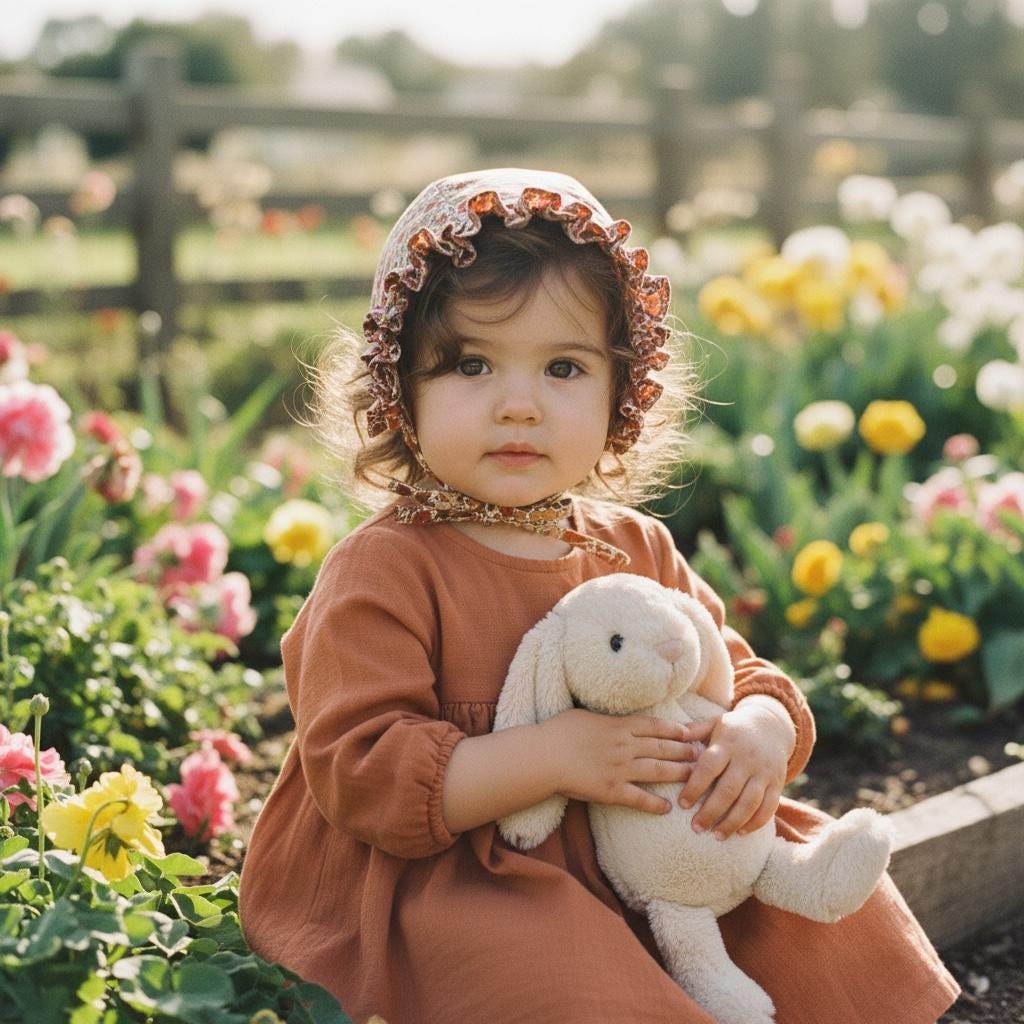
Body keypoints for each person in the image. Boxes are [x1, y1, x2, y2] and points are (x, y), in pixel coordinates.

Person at [239, 168, 959, 1024]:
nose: (518, 405)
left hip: (652, 853)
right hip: (461, 871)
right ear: (400, 389)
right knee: (567, 981)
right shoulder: (386, 569)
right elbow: (364, 776)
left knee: (821, 918)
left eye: (564, 367)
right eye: (471, 363)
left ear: (623, 393)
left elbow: (735, 669)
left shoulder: (632, 546)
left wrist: (758, 733)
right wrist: (555, 755)